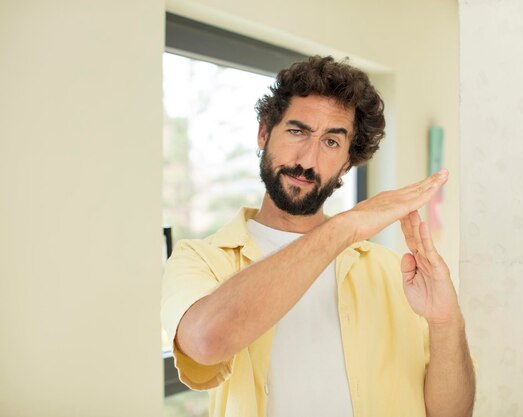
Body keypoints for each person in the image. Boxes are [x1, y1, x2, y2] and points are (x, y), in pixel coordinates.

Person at [161, 55, 475, 417]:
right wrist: (345, 225)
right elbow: (205, 342)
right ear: (264, 132)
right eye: (297, 131)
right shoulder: (200, 260)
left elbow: (454, 413)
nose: (308, 161)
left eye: (331, 142)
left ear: (347, 163)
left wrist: (445, 321)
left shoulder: (395, 273)